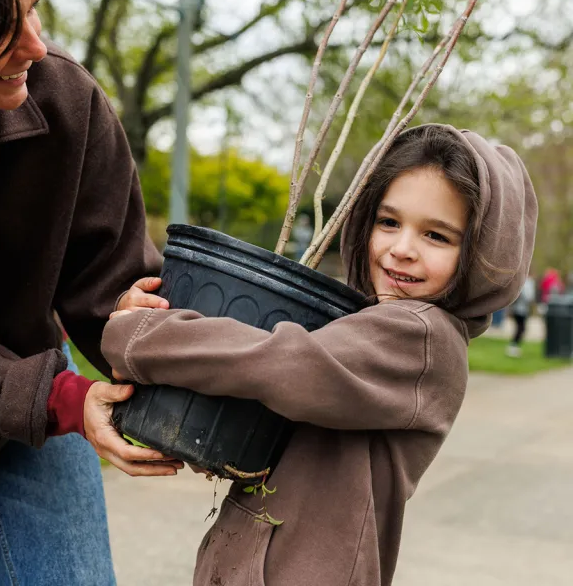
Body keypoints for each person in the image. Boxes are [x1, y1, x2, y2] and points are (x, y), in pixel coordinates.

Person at [102, 124, 537, 586]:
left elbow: (281, 364)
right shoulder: (367, 326)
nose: (401, 249)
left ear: (482, 256)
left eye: (436, 236)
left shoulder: (423, 337)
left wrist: (141, 337)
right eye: (388, 223)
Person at [0, 0, 179, 584]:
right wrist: (55, 398)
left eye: (33, 8)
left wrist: (133, 325)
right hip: (34, 390)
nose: (37, 47)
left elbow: (113, 272)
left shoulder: (65, 101)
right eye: (1, 27)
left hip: (29, 378)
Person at [506, 274, 536, 357]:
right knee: (521, 328)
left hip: (522, 309)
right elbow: (528, 296)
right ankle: (513, 346)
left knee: (521, 328)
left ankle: (514, 346)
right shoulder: (527, 282)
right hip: (520, 309)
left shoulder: (526, 281)